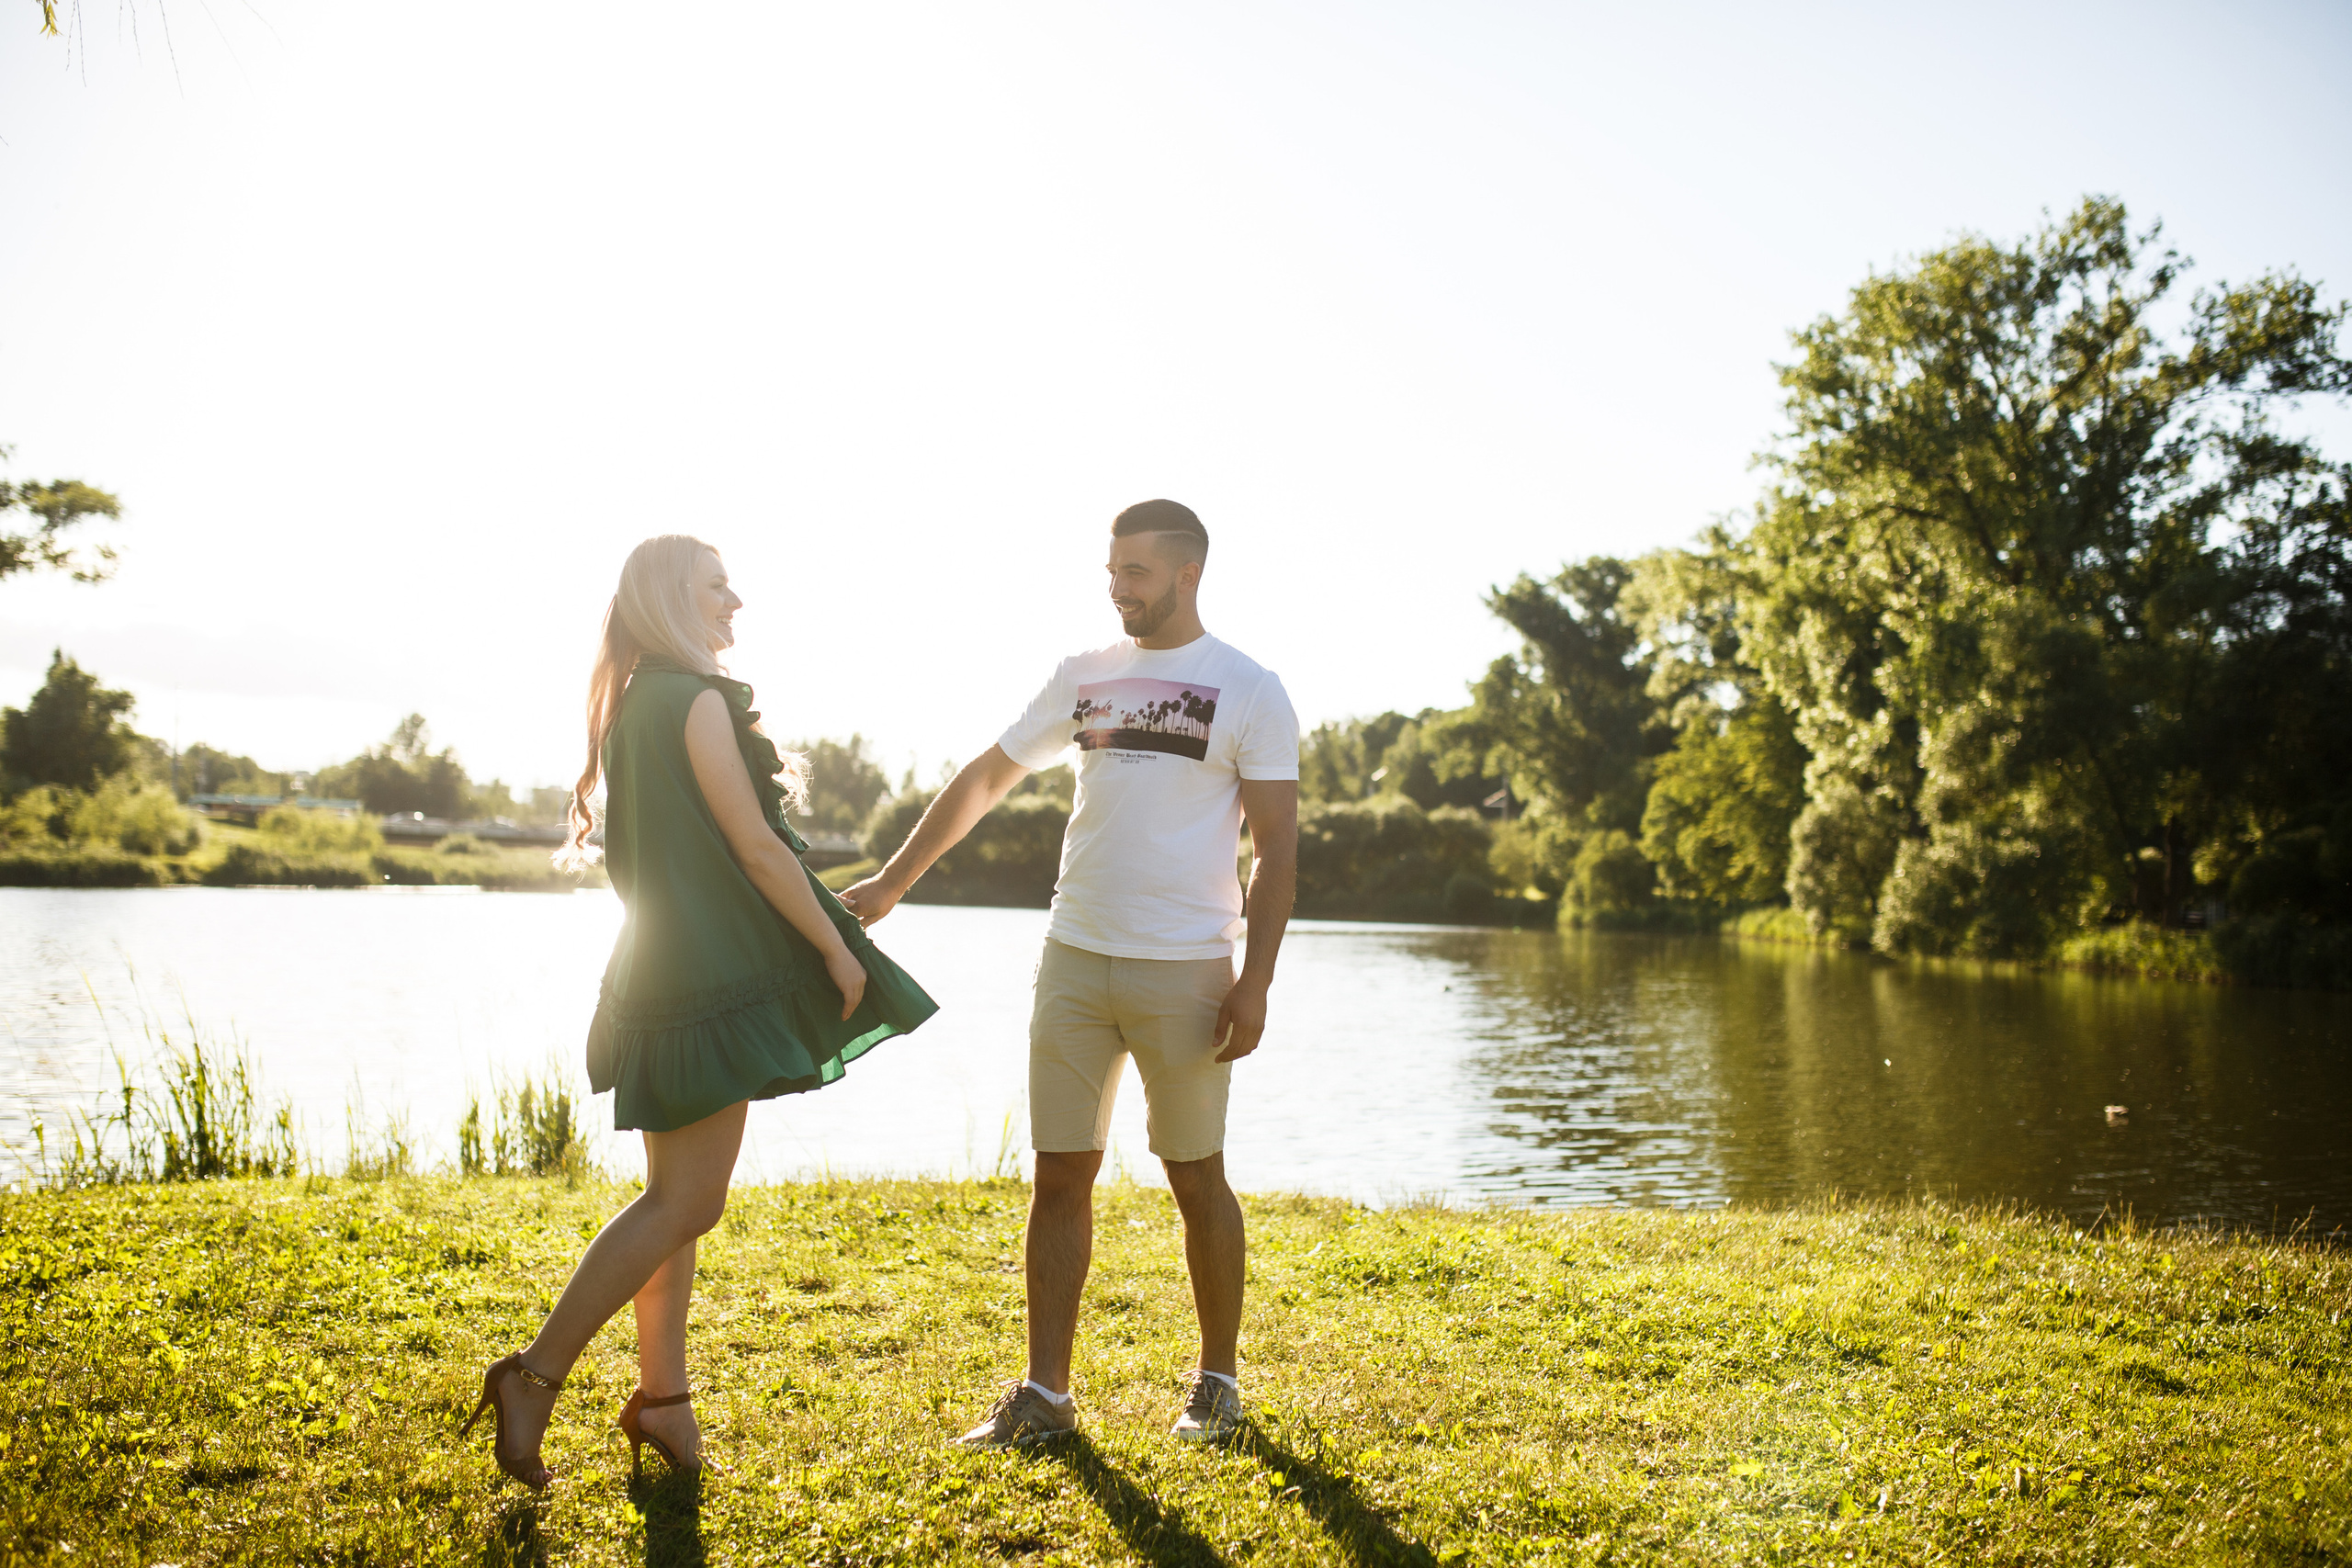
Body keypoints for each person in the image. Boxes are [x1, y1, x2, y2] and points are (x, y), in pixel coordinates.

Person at [462, 534, 938, 1489]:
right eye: (717, 585)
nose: (736, 600)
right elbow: (757, 848)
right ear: (673, 600)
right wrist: (836, 946)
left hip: (658, 973)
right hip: (705, 981)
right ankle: (534, 1374)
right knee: (688, 1201)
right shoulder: (698, 702)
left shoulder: (640, 706)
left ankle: (664, 1401)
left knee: (672, 1204)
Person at [842, 498, 1298, 1449]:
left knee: (1195, 1173)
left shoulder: (1248, 688)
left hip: (1188, 971)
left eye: (1134, 570)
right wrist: (892, 881)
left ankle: (1218, 1385)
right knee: (1059, 1171)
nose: (1115, 585)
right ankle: (1044, 1397)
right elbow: (985, 778)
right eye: (1111, 568)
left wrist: (1254, 982)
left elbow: (1278, 854)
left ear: (1186, 575)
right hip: (1075, 959)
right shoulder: (1083, 675)